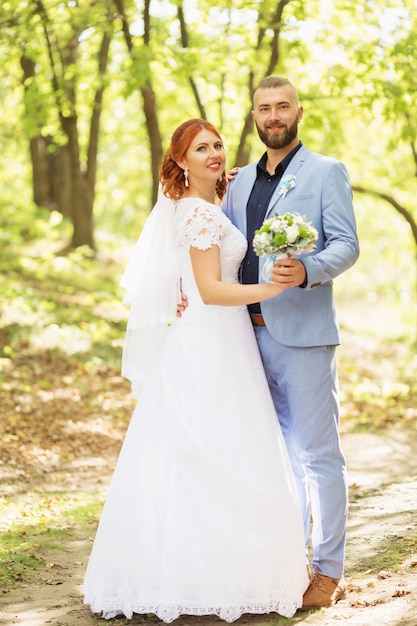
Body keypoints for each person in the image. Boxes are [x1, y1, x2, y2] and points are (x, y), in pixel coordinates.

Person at [83, 118, 309, 622]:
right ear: (180, 161)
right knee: (209, 450)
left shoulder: (210, 206)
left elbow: (195, 282)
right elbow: (209, 291)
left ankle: (221, 571)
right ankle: (196, 577)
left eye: (217, 144)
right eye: (199, 148)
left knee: (223, 448)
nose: (213, 153)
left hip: (224, 340)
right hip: (209, 342)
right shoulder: (197, 214)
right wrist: (271, 289)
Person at [222, 76, 360, 610]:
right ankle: (289, 561)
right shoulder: (236, 183)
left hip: (302, 336)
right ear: (254, 115)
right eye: (264, 108)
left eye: (282, 107)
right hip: (244, 338)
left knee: (319, 456)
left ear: (298, 112)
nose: (273, 116)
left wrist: (306, 269)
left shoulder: (325, 172)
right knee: (277, 458)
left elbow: (346, 246)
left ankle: (328, 571)